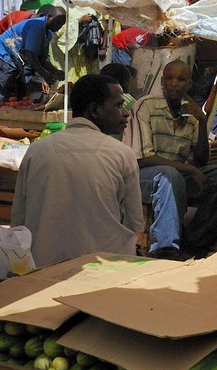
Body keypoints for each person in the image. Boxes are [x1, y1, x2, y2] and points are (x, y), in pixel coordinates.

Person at [11, 75, 143, 268]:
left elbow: (18, 220)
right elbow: (134, 223)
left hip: (42, 268)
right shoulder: (122, 154)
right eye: (118, 106)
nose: (125, 113)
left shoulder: (37, 150)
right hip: (104, 268)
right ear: (95, 110)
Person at [124, 59, 217, 260]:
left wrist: (203, 122)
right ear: (162, 82)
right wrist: (189, 169)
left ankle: (196, 240)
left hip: (181, 175)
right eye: (169, 78)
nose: (174, 84)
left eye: (181, 79)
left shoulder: (192, 112)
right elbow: (142, 158)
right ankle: (165, 247)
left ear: (189, 84)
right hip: (144, 177)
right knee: (169, 175)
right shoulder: (146, 105)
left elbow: (202, 160)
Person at [0, 8, 67, 104]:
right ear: (49, 17)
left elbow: (42, 58)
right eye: (57, 22)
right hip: (0, 56)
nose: (59, 26)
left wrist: (55, 71)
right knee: (5, 96)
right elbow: (31, 55)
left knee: (20, 95)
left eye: (61, 24)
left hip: (14, 60)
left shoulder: (49, 33)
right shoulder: (37, 26)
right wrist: (44, 74)